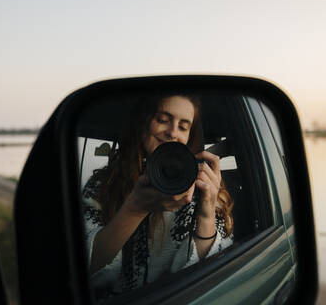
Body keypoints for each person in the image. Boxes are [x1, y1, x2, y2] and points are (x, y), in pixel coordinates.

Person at [82, 94, 234, 299]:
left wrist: (206, 214)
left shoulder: (203, 185)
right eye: (162, 120)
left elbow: (214, 272)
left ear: (190, 135)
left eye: (183, 126)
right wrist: (134, 209)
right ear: (142, 124)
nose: (172, 132)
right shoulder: (104, 185)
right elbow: (83, 267)